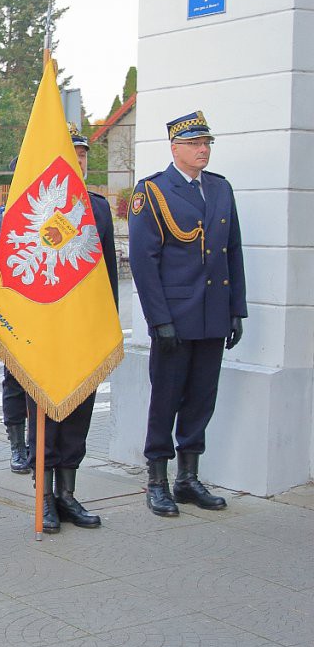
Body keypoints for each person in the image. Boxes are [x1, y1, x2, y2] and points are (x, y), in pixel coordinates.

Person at [129, 110, 246, 517]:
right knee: (166, 398)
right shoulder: (153, 191)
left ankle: (188, 478)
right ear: (174, 148)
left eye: (207, 143)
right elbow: (144, 262)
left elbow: (232, 252)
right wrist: (159, 319)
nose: (203, 149)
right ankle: (157, 480)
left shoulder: (219, 189)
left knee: (201, 398)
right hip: (175, 317)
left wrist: (236, 310)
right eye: (195, 143)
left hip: (213, 313)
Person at [24, 124, 118, 532]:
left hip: (83, 327)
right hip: (44, 328)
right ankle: (43, 495)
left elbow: (108, 274)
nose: (77, 158)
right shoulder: (34, 204)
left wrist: (106, 323)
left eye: (81, 152)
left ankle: (67, 493)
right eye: (70, 152)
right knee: (45, 413)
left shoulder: (97, 208)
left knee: (78, 413)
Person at [0, 156, 30, 474]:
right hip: (14, 313)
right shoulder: (0, 219)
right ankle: (18, 445)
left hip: (48, 315)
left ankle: (42, 444)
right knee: (15, 383)